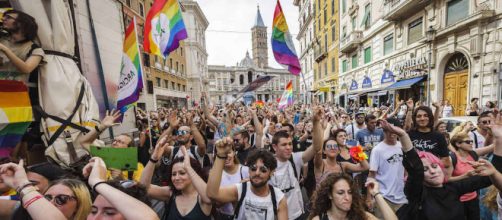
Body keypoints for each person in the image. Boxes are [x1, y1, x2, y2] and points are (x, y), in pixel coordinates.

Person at [379, 117, 502, 220]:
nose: (433, 171)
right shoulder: (417, 193)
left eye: (434, 166)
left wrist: (499, 138)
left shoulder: (453, 188)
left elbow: (491, 175)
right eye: (425, 170)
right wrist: (403, 135)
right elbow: (415, 169)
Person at [207, 139, 288, 220]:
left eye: (263, 170)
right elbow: (212, 194)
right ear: (248, 170)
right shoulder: (240, 190)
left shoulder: (278, 198)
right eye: (253, 168)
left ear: (271, 172)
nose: (257, 173)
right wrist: (220, 155)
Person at [269, 106, 323, 219]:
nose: (288, 147)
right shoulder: (267, 164)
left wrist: (316, 121)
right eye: (284, 145)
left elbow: (317, 146)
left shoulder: (295, 158)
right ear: (274, 147)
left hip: (297, 214)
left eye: (290, 144)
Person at [140, 137, 212, 220]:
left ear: (193, 173)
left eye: (182, 173)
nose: (176, 178)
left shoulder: (201, 197)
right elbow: (143, 187)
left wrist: (188, 167)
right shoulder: (171, 194)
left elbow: (208, 198)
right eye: (173, 174)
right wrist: (153, 159)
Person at [83, 157, 159, 220]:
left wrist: (96, 182)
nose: (95, 219)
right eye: (93, 211)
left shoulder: (137, 166)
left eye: (109, 213)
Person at [308, 173, 397, 220]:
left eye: (349, 192)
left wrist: (376, 194)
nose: (347, 197)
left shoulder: (361, 216)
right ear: (330, 195)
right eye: (340, 193)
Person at [0, 160, 67, 220]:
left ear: (55, 186)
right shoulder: (22, 209)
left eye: (32, 183)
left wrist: (24, 186)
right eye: (25, 183)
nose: (26, 186)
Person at [448, 132, 494, 220]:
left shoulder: (473, 154)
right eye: (467, 142)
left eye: (471, 141)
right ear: (458, 144)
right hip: (458, 200)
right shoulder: (452, 158)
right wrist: (465, 176)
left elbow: (491, 147)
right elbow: (446, 179)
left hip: (473, 198)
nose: (471, 143)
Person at [368, 118, 407, 218]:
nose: (392, 133)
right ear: (384, 131)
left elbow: (407, 170)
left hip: (402, 197)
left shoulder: (402, 147)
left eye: (394, 130)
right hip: (383, 197)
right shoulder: (377, 150)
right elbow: (372, 175)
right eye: (388, 131)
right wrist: (369, 197)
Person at [404, 103, 452, 176]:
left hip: (432, 175)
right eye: (419, 116)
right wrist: (410, 109)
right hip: (413, 176)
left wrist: (430, 165)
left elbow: (446, 162)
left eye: (426, 115)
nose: (422, 118)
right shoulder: (410, 135)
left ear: (430, 118)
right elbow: (406, 127)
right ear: (415, 119)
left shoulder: (439, 136)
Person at [215, 145, 249, 219]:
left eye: (229, 152)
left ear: (234, 152)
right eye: (223, 154)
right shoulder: (216, 174)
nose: (226, 156)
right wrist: (235, 191)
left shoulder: (246, 171)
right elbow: (216, 204)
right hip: (223, 216)